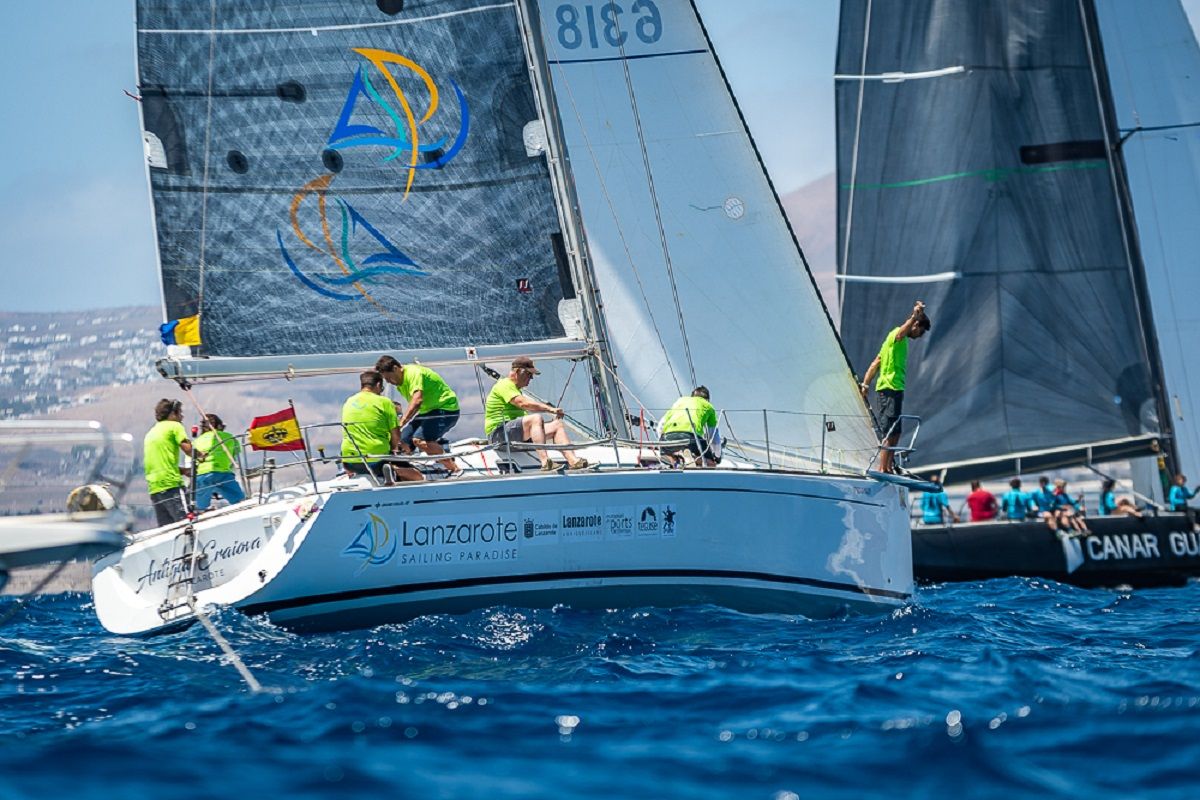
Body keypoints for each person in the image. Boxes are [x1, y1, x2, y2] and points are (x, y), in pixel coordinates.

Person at [859, 300, 931, 473]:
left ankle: (889, 466)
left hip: (894, 389)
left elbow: (876, 362)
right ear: (915, 325)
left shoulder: (894, 343)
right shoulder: (896, 337)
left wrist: (865, 384)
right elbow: (901, 333)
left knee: (896, 431)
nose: (920, 336)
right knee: (889, 430)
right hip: (889, 389)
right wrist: (915, 315)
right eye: (921, 332)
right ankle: (883, 468)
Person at [484, 356, 588, 471]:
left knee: (557, 425)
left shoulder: (515, 388)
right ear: (518, 372)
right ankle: (545, 462)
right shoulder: (504, 385)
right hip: (499, 435)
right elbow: (523, 403)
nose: (531, 378)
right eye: (529, 374)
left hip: (515, 434)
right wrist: (549, 409)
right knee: (535, 419)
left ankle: (573, 461)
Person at [375, 355, 461, 476]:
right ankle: (411, 473)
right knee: (401, 443)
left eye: (389, 378)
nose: (389, 382)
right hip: (427, 411)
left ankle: (455, 469)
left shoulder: (413, 373)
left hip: (446, 409)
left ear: (395, 368)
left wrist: (401, 423)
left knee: (420, 440)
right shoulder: (400, 381)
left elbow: (417, 401)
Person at [341, 371, 423, 483]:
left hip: (349, 462)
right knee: (418, 476)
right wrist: (394, 449)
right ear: (379, 385)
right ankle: (393, 469)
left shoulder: (349, 401)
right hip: (375, 460)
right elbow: (396, 434)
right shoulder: (384, 402)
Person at [144, 398, 194, 527]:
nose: (182, 416)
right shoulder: (175, 426)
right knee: (188, 524)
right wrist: (201, 454)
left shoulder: (151, 432)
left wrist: (183, 471)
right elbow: (188, 449)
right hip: (172, 486)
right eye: (180, 413)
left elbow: (161, 463)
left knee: (168, 529)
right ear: (172, 414)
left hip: (155, 489)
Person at [193, 414, 246, 511]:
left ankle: (201, 513)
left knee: (201, 507)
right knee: (239, 501)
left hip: (202, 475)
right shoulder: (229, 438)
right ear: (219, 426)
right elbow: (235, 458)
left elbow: (192, 464)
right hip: (223, 474)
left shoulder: (196, 442)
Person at [659, 386, 721, 467]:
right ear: (707, 399)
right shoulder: (709, 406)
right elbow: (713, 437)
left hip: (667, 438)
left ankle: (675, 460)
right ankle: (691, 457)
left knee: (668, 453)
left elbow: (661, 425)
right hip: (690, 438)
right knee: (711, 464)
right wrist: (717, 456)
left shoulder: (680, 401)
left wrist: (661, 442)